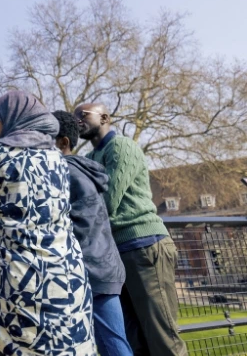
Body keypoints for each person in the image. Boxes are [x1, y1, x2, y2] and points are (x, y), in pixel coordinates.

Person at [0, 91, 95, 356]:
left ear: (12, 119)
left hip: (21, 284)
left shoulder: (0, 156)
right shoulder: (56, 158)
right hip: (66, 279)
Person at [74, 103, 187, 356]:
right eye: (74, 117)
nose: (77, 120)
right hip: (115, 253)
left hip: (144, 244)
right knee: (134, 339)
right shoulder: (90, 159)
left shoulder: (122, 146)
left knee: (162, 337)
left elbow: (108, 201)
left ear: (104, 117)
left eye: (83, 115)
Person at [52, 111, 132, 356]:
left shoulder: (62, 172)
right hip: (106, 264)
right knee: (114, 341)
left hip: (89, 268)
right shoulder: (86, 169)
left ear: (63, 143)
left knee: (111, 344)